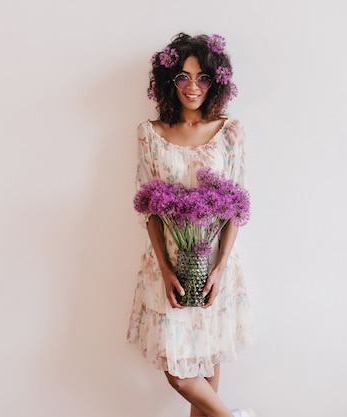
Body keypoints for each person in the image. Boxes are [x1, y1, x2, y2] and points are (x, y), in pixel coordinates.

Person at [127, 32, 256, 417]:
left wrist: (220, 268)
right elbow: (148, 209)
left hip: (216, 266)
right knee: (180, 373)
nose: (193, 86)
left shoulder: (230, 132)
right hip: (168, 267)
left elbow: (236, 205)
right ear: (169, 81)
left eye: (202, 77)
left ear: (216, 80)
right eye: (183, 77)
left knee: (207, 366)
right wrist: (165, 270)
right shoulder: (149, 134)